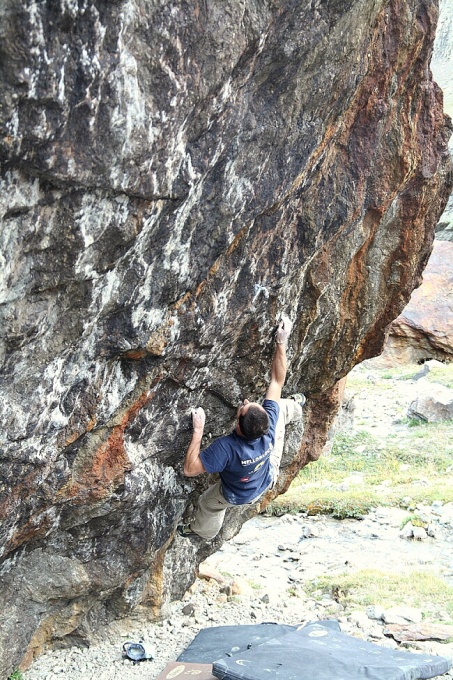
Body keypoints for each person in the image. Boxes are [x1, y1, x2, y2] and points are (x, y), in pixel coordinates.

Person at [177, 315, 305, 540]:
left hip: (238, 494)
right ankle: (297, 406)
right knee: (283, 407)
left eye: (245, 406)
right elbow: (277, 381)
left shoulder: (227, 448)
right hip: (267, 473)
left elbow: (190, 469)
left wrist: (198, 431)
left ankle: (201, 532)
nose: (246, 402)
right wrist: (282, 341)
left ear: (238, 425)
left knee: (207, 504)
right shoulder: (269, 421)